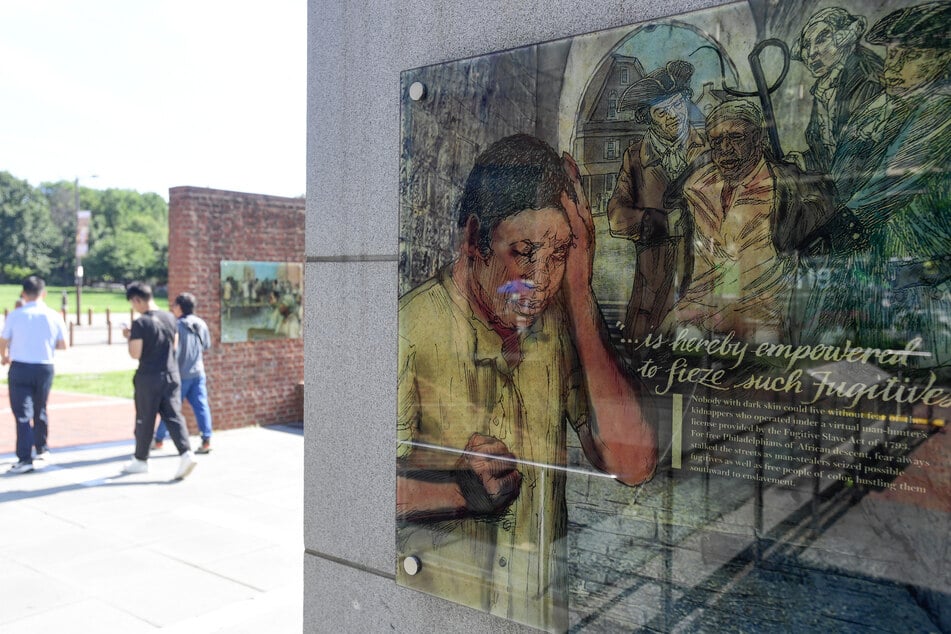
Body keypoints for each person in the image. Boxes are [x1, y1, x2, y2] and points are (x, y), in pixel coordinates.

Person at [396, 134, 656, 631]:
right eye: (524, 252)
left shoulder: (563, 319)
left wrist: (580, 292)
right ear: (474, 240)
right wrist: (456, 492)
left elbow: (633, 463)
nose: (541, 279)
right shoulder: (412, 327)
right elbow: (362, 485)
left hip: (537, 610)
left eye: (558, 254)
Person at [821, 1, 951, 370]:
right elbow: (841, 175)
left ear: (942, 59)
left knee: (920, 382)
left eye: (906, 57)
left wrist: (840, 224)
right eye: (891, 56)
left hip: (917, 269)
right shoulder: (881, 106)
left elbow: (896, 180)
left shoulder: (941, 108)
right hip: (872, 273)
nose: (890, 68)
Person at [661, 100, 835, 343]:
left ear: (758, 139)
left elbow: (823, 203)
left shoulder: (784, 185)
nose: (725, 148)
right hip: (700, 309)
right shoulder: (697, 186)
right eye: (717, 141)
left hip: (764, 317)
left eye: (736, 137)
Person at [608, 60, 709, 350]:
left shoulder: (708, 150)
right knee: (645, 363)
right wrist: (660, 222)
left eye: (677, 105)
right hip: (652, 285)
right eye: (661, 112)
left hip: (702, 280)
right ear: (649, 118)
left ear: (686, 101)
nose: (672, 117)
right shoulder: (635, 157)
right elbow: (616, 216)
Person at [786, 7, 884, 173]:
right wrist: (805, 161)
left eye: (821, 39)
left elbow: (861, 156)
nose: (811, 53)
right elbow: (829, 149)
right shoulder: (827, 83)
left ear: (844, 38)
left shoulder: (867, 79)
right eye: (807, 45)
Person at [120, 282, 197, 479]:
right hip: (171, 374)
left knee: (145, 418)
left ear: (137, 300)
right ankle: (186, 453)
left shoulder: (140, 323)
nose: (133, 307)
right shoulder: (171, 318)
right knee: (173, 415)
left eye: (132, 303)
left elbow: (135, 353)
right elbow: (174, 345)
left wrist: (130, 337)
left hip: (148, 376)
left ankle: (140, 459)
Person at [0, 276, 68, 474]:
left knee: (22, 414)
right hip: (44, 366)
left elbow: (3, 340)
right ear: (44, 294)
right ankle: (42, 447)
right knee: (41, 408)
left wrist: (4, 356)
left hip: (20, 366)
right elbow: (64, 344)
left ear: (23, 293)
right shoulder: (54, 315)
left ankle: (24, 457)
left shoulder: (15, 315)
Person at [153, 292, 214, 454]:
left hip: (180, 375)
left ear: (179, 307)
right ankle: (206, 439)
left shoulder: (176, 326)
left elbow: (170, 350)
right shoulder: (201, 323)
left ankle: (158, 440)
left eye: (174, 305)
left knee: (170, 408)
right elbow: (206, 346)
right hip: (198, 372)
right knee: (201, 406)